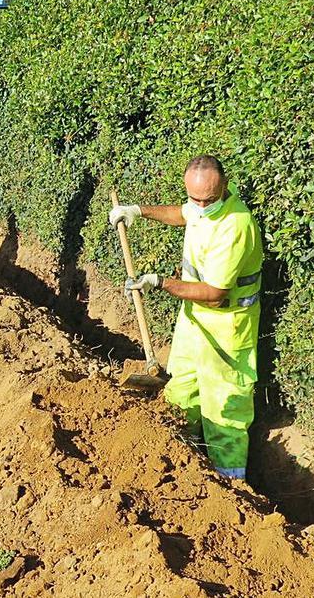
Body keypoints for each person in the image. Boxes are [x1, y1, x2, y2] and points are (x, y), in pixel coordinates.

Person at [109, 155, 263, 479]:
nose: (202, 206)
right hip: (193, 319)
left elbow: (215, 292)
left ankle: (230, 481)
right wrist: (138, 211)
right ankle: (184, 455)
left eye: (208, 199)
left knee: (224, 407)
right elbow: (185, 213)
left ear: (223, 184)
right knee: (180, 389)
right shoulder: (202, 202)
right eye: (196, 199)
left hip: (227, 326)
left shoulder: (235, 226)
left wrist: (159, 282)